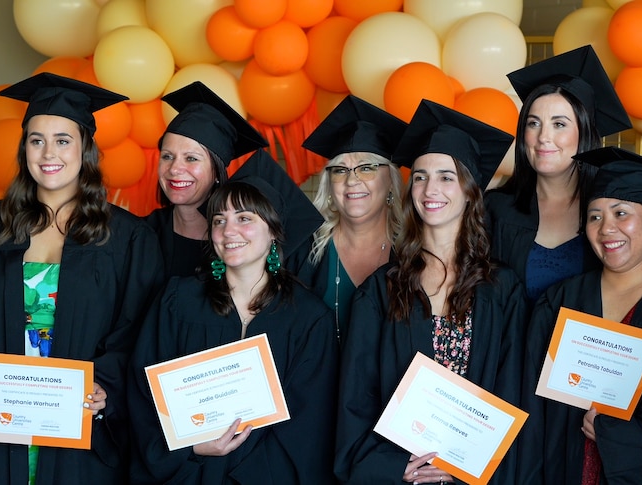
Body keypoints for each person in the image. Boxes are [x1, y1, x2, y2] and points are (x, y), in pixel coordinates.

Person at [0, 73, 164, 484]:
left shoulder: (128, 238)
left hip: (80, 433)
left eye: (63, 140)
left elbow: (137, 332)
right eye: (36, 139)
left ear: (85, 149)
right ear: (24, 147)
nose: (49, 153)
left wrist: (106, 388)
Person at [335, 100, 525, 484]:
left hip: (473, 475)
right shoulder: (383, 288)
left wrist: (470, 466)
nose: (429, 188)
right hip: (400, 473)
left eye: (446, 176)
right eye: (420, 176)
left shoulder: (502, 290)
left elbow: (511, 394)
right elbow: (356, 395)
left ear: (470, 191)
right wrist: (389, 468)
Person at [520, 147, 642, 484]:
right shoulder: (562, 299)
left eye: (621, 213)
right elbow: (533, 404)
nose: (606, 228)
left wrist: (614, 434)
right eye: (595, 216)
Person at [128, 175, 338, 484]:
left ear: (274, 231)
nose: (228, 231)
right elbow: (144, 393)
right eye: (219, 220)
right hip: (184, 474)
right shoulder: (177, 302)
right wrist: (191, 448)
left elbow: (309, 426)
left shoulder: (307, 319)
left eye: (244, 218)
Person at [485, 45, 633, 302]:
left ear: (584, 133)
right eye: (534, 123)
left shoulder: (618, 210)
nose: (543, 137)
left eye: (559, 124)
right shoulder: (495, 209)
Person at [295, 95, 406, 337]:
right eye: (340, 170)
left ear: (390, 182)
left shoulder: (413, 252)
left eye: (367, 168)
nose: (351, 180)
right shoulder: (304, 252)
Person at [145, 81, 270, 277]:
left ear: (217, 172)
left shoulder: (241, 240)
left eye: (191, 158)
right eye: (167, 156)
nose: (175, 168)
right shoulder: (141, 233)